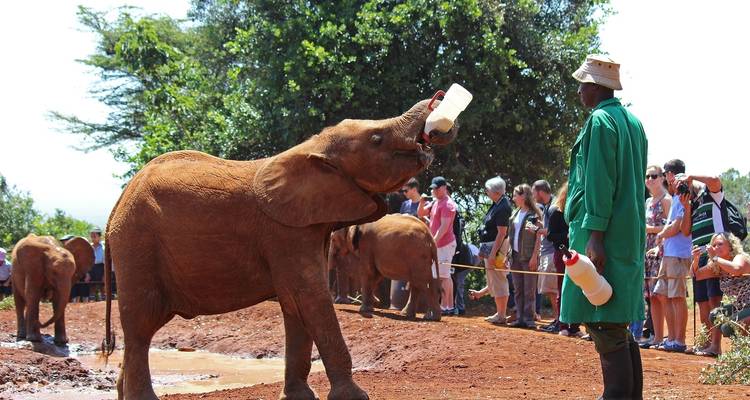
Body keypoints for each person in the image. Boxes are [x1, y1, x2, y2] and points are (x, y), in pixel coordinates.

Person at [561, 55, 647, 399]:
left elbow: (599, 181)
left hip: (603, 235)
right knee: (618, 321)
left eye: (584, 83)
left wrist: (595, 236)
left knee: (603, 318)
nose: (580, 90)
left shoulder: (599, 121)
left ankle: (615, 394)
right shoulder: (633, 122)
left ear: (597, 86)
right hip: (627, 234)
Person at [673, 165, 727, 356]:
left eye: (682, 183)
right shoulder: (692, 205)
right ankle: (707, 343)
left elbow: (715, 179)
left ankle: (716, 345)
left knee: (714, 300)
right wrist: (686, 206)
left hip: (715, 256)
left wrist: (692, 176)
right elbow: (686, 231)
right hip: (699, 257)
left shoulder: (711, 195)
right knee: (702, 301)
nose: (681, 187)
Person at [650, 165, 691, 353]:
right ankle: (671, 337)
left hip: (679, 254)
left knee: (677, 296)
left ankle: (679, 340)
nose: (668, 177)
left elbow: (678, 226)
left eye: (667, 173)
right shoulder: (675, 197)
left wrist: (661, 235)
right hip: (668, 253)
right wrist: (662, 239)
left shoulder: (684, 196)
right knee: (662, 294)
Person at [469, 176, 512, 325]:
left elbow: (501, 233)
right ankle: (499, 313)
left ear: (496, 191)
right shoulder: (497, 204)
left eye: (488, 190)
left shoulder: (503, 207)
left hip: (497, 247)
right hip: (491, 245)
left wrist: (493, 253)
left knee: (499, 279)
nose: (486, 192)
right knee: (494, 278)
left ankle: (501, 315)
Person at [691, 233, 750, 340]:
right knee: (716, 315)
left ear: (731, 245)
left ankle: (743, 347)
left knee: (728, 327)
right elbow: (697, 275)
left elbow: (736, 269)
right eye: (714, 245)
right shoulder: (717, 266)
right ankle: (743, 345)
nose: (716, 247)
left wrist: (715, 258)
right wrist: (696, 260)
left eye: (720, 244)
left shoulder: (740, 257)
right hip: (741, 306)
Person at [639, 165, 670, 348]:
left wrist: (650, 230)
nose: (649, 179)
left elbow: (671, 226)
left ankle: (667, 336)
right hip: (647, 250)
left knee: (661, 294)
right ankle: (656, 337)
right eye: (647, 176)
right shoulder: (648, 201)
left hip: (661, 250)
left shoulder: (666, 200)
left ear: (662, 178)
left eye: (654, 176)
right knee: (650, 295)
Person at [418, 176, 457, 315]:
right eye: (432, 188)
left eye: (436, 188)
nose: (433, 191)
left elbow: (444, 227)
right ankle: (443, 305)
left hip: (445, 244)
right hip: (438, 244)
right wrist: (421, 201)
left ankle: (447, 306)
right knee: (438, 275)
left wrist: (433, 242)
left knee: (444, 276)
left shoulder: (448, 204)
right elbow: (421, 213)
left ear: (444, 188)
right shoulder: (436, 202)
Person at [508, 183, 543, 329]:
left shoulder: (533, 215)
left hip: (528, 257)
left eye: (516, 194)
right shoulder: (515, 213)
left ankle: (529, 319)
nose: (514, 197)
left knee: (529, 290)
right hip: (515, 256)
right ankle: (520, 318)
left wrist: (535, 256)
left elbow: (537, 237)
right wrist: (508, 254)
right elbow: (511, 236)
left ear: (523, 196)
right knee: (518, 289)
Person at [528, 180, 560, 332]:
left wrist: (536, 230)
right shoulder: (548, 206)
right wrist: (540, 226)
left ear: (540, 192)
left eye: (533, 193)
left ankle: (560, 320)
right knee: (549, 289)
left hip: (552, 251)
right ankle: (557, 319)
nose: (532, 197)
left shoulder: (554, 205)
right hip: (547, 251)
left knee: (552, 289)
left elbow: (553, 232)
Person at [89, 227, 105, 301]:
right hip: (91, 267)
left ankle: (104, 302)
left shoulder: (104, 247)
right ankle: (92, 303)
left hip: (101, 267)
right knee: (91, 286)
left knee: (103, 286)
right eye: (91, 236)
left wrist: (105, 274)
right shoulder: (89, 247)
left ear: (99, 237)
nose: (93, 238)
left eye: (94, 236)